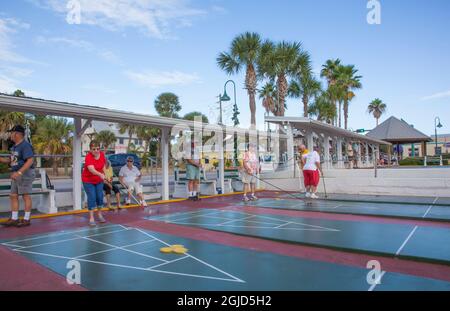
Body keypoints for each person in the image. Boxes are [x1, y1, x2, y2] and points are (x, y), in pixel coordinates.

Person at [0, 125, 35, 227]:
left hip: (24, 173)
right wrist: (2, 159)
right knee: (13, 195)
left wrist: (19, 172)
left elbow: (30, 160)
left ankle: (26, 219)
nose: (10, 135)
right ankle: (14, 218)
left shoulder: (25, 145)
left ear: (17, 134)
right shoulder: (14, 147)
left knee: (25, 195)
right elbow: (12, 160)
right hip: (16, 174)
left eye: (12, 132)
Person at [82, 141, 107, 226]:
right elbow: (91, 169)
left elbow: (103, 166)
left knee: (100, 196)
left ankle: (99, 214)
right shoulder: (88, 157)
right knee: (92, 197)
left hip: (98, 180)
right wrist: (101, 174)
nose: (96, 151)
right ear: (90, 150)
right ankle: (91, 218)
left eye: (98, 149)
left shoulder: (102, 155)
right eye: (94, 149)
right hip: (88, 180)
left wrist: (106, 174)